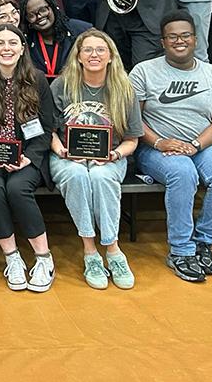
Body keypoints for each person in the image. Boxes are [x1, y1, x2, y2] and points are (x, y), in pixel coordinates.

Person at [130, 10, 212, 282]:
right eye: (172, 37)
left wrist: (196, 144)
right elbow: (132, 120)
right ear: (163, 42)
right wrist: (159, 142)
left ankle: (204, 242)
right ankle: (180, 250)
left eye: (185, 35)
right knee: (182, 173)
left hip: (201, 143)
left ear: (195, 39)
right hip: (156, 147)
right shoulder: (144, 71)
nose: (179, 41)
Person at [49, 29, 142, 290]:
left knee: (101, 177)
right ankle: (90, 252)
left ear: (111, 56)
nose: (94, 55)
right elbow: (49, 131)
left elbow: (132, 140)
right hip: (67, 157)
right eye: (87, 49)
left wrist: (115, 155)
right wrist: (60, 150)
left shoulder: (124, 89)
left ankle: (113, 251)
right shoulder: (62, 85)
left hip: (110, 157)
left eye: (101, 50)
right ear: (78, 56)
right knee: (77, 175)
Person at [0, 25, 56, 292]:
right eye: (0, 43)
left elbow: (46, 127)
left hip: (26, 156)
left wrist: (29, 157)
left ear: (22, 48)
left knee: (17, 188)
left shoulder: (37, 79)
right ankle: (13, 258)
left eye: (13, 43)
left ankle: (44, 258)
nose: (7, 48)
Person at [22, 0, 90, 80]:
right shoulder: (26, 42)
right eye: (32, 15)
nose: (39, 16)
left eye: (43, 10)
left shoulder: (81, 31)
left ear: (53, 8)